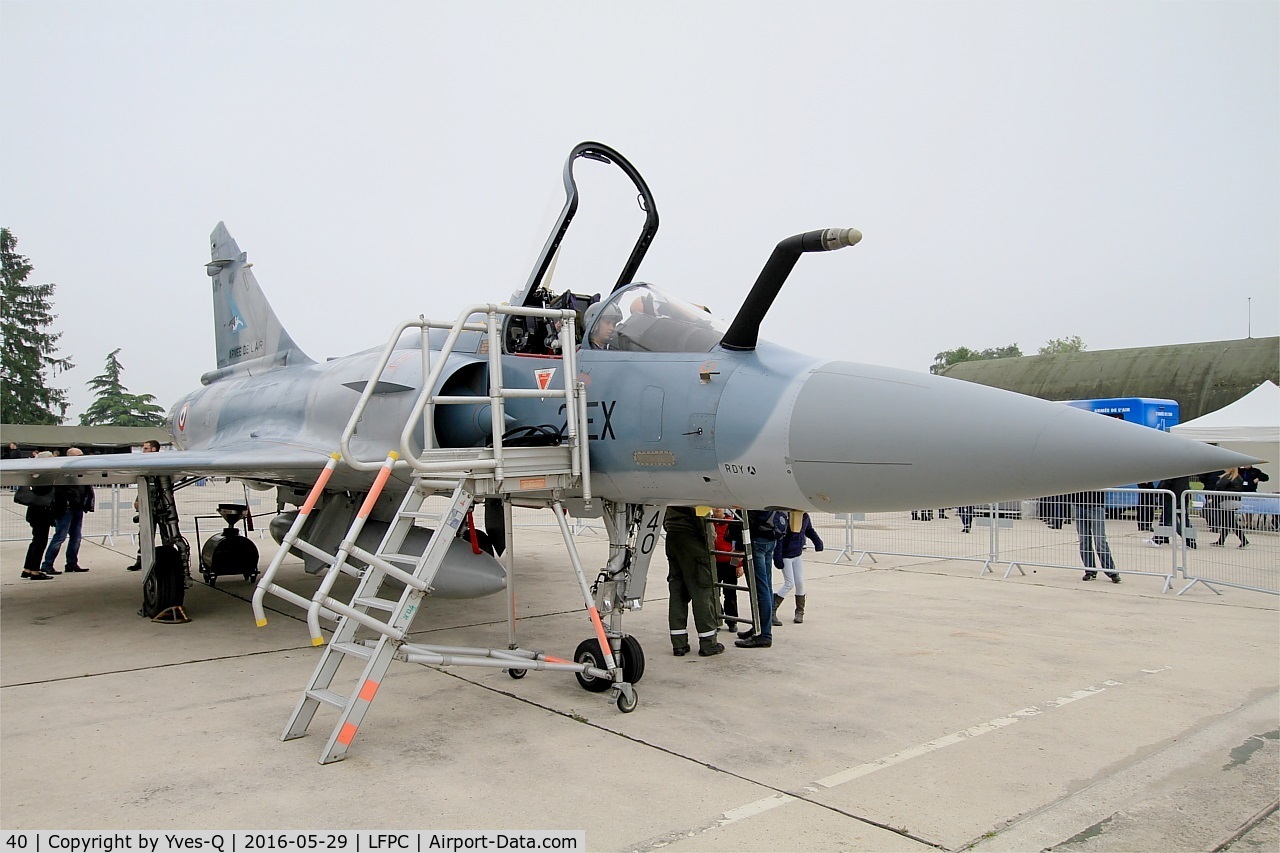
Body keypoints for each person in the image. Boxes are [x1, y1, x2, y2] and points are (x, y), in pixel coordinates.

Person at [663, 506, 723, 657]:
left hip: (672, 537)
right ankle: (708, 643)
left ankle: (679, 644)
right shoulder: (693, 490)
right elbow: (701, 517)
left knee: (677, 592)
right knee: (702, 590)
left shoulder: (671, 491)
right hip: (692, 540)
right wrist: (709, 540)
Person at [736, 509, 786, 649]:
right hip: (770, 538)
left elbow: (748, 517)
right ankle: (760, 627)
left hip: (757, 539)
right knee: (766, 586)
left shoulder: (749, 495)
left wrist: (740, 546)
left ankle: (764, 634)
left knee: (761, 589)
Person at [40, 448, 96, 574]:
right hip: (66, 508)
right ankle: (47, 564)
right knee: (60, 536)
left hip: (77, 507)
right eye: (79, 456)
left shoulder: (81, 472)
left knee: (76, 537)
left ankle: (72, 563)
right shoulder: (62, 472)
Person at [772, 511, 822, 624]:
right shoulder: (785, 516)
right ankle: (772, 608)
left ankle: (800, 611)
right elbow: (779, 537)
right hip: (786, 555)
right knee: (789, 583)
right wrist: (778, 557)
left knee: (800, 583)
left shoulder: (804, 516)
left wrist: (817, 542)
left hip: (797, 554)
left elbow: (809, 530)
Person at [21, 452, 65, 580]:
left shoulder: (34, 474)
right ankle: (35, 570)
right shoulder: (45, 476)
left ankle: (28, 568)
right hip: (41, 513)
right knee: (40, 542)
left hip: (34, 512)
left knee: (36, 541)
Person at [125, 439, 162, 571]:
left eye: (146, 448)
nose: (143, 451)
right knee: (144, 536)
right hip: (148, 509)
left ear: (153, 449)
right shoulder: (145, 466)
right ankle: (141, 560)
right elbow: (144, 485)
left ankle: (167, 560)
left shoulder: (164, 464)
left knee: (167, 537)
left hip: (162, 507)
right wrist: (138, 500)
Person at [1068, 490, 1120, 583]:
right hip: (1079, 504)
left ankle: (1111, 571)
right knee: (1084, 541)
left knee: (1100, 540)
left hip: (1096, 504)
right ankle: (1089, 570)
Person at [710, 508, 744, 630]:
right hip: (714, 562)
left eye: (720, 507)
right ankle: (717, 617)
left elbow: (737, 544)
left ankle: (732, 620)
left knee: (730, 593)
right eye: (715, 507)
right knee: (713, 593)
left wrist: (738, 565)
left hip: (730, 562)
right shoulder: (708, 522)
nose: (717, 509)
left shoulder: (731, 522)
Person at [1151, 475, 1195, 548]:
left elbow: (1166, 481)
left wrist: (1158, 490)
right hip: (1182, 494)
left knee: (1166, 518)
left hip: (1172, 495)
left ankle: (1158, 539)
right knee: (1183, 518)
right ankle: (1190, 541)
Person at [1211, 468, 1249, 548]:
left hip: (1227, 501)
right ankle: (1221, 540)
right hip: (1235, 501)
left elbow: (1219, 487)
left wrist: (1213, 497)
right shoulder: (1239, 478)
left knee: (1229, 522)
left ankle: (1243, 540)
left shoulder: (1227, 477)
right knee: (1227, 521)